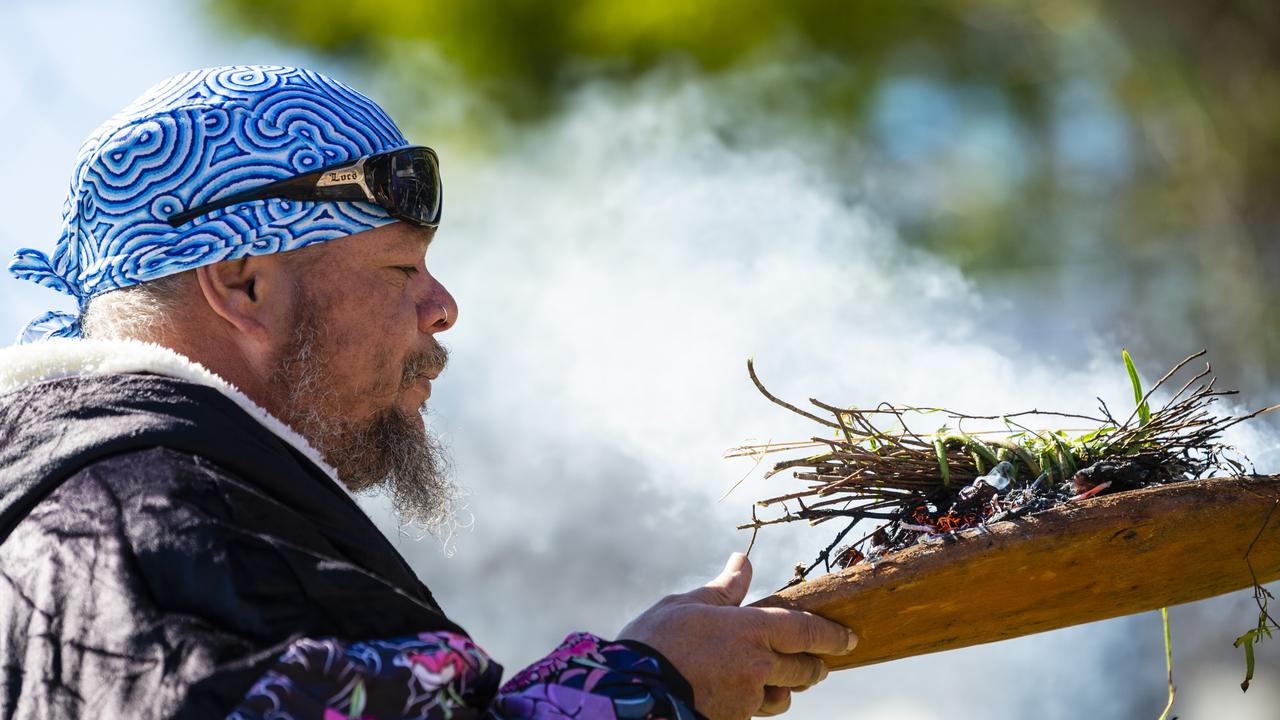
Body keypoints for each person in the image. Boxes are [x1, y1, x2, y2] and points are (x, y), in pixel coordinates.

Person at [0, 65, 856, 720]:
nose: (441, 307)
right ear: (243, 283)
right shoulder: (153, 516)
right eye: (401, 267)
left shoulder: (112, 500)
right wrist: (647, 684)